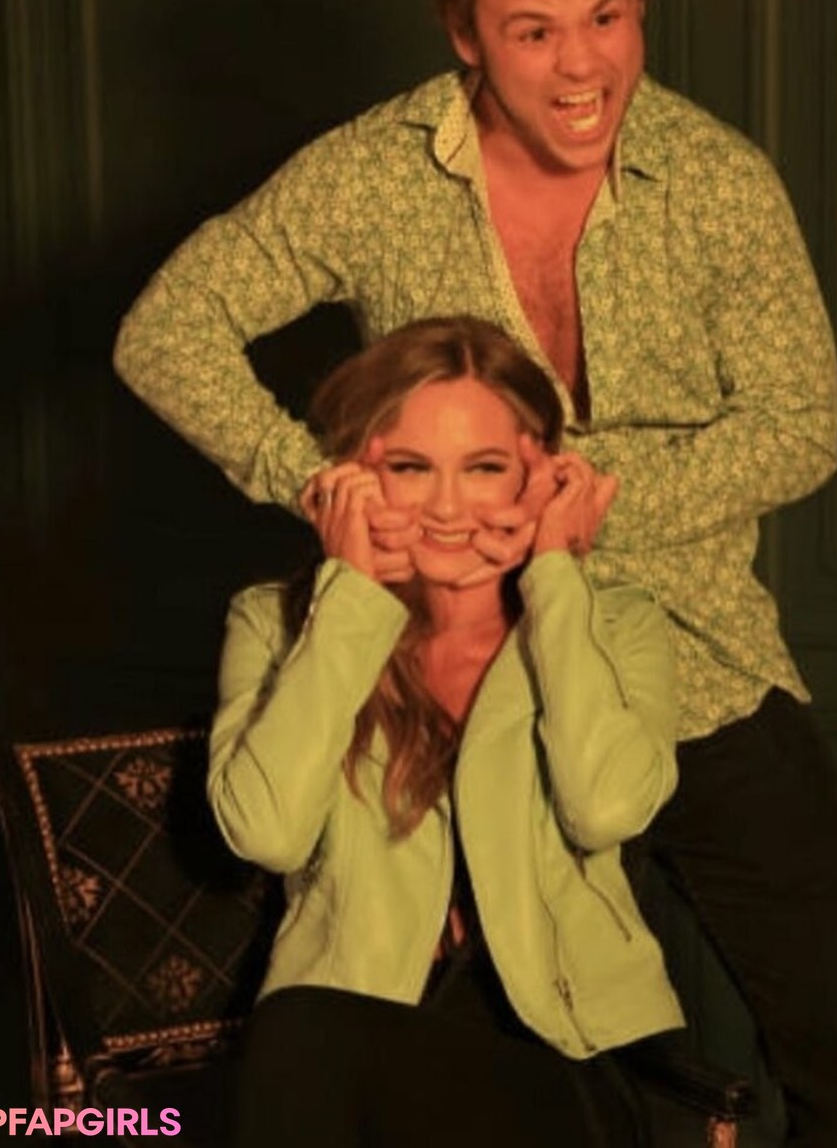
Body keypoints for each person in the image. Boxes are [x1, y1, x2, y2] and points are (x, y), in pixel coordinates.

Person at [115, 0, 837, 1142]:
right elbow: (166, 330)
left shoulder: (717, 181)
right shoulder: (371, 174)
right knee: (477, 1078)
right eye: (534, 30)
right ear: (464, 31)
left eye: (608, 15)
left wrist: (581, 503)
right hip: (463, 682)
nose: (582, 65)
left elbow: (800, 425)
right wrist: (317, 479)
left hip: (690, 647)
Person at [208, 315, 682, 1147]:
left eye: (485, 467)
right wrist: (352, 599)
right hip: (351, 1041)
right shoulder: (275, 624)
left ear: (542, 473)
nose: (449, 506)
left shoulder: (619, 626)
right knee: (302, 1035)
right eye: (410, 467)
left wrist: (555, 578)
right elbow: (268, 832)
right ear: (353, 474)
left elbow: (605, 808)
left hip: (564, 1050)